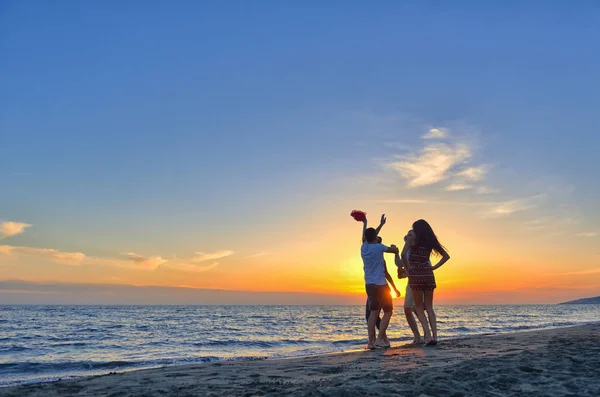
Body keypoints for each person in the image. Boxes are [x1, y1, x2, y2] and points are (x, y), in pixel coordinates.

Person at [400, 220, 450, 346]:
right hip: (428, 275)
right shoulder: (430, 241)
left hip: (416, 276)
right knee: (429, 307)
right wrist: (433, 267)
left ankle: (427, 336)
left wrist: (409, 267)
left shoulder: (412, 240)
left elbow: (402, 254)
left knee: (418, 308)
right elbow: (446, 256)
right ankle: (435, 336)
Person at [360, 214, 400, 349]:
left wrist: (367, 223)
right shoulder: (380, 247)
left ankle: (370, 342)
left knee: (373, 313)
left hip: (369, 285)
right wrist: (396, 248)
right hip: (381, 284)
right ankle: (379, 339)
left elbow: (367, 237)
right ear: (375, 238)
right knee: (388, 311)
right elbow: (393, 250)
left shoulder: (364, 248)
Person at [365, 236, 401, 338]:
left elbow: (387, 274)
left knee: (374, 314)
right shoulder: (370, 255)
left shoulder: (375, 257)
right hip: (373, 288)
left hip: (378, 288)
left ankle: (380, 338)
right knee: (372, 315)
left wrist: (394, 289)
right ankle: (379, 339)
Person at [395, 230, 425, 346]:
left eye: (411, 235)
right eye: (407, 235)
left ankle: (425, 334)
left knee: (416, 309)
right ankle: (417, 336)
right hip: (411, 282)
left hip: (419, 282)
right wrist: (396, 253)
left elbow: (424, 265)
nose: (408, 237)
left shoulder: (419, 250)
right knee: (409, 309)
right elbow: (399, 264)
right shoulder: (406, 250)